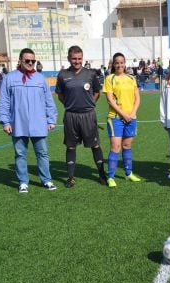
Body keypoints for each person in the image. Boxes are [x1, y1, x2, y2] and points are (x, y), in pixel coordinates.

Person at [0, 48, 58, 193]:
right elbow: (3, 101)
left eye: (33, 61)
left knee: (42, 153)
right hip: (18, 123)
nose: (31, 63)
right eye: (27, 61)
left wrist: (51, 119)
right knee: (20, 154)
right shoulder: (9, 78)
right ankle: (23, 182)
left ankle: (46, 180)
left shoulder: (40, 78)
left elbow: (49, 101)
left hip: (39, 123)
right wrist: (5, 121)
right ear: (20, 61)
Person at [55, 45, 107, 188]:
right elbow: (60, 94)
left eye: (79, 59)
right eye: (74, 59)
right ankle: (70, 177)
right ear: (68, 58)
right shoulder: (63, 75)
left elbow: (97, 92)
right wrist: (70, 104)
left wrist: (89, 103)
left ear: (82, 59)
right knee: (71, 147)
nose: (77, 61)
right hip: (71, 116)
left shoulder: (90, 74)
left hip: (88, 115)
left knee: (95, 145)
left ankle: (102, 174)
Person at [103, 52, 141, 187]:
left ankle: (128, 173)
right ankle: (111, 177)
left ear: (125, 64)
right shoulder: (110, 78)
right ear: (113, 64)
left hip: (131, 118)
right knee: (116, 147)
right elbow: (109, 99)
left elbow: (137, 98)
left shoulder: (131, 78)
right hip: (115, 118)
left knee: (127, 146)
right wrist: (123, 114)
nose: (119, 65)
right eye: (117, 62)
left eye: (121, 62)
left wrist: (132, 113)